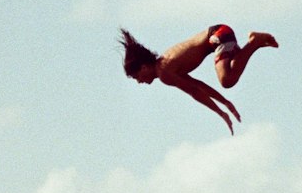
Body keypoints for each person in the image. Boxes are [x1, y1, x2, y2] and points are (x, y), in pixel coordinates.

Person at [119, 24, 278, 135]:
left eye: (137, 77)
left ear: (144, 67)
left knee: (226, 80)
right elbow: (198, 85)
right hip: (219, 34)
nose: (139, 82)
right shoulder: (165, 65)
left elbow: (194, 91)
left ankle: (255, 42)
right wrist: (225, 102)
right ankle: (254, 42)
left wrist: (221, 113)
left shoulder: (164, 73)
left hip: (217, 37)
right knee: (231, 71)